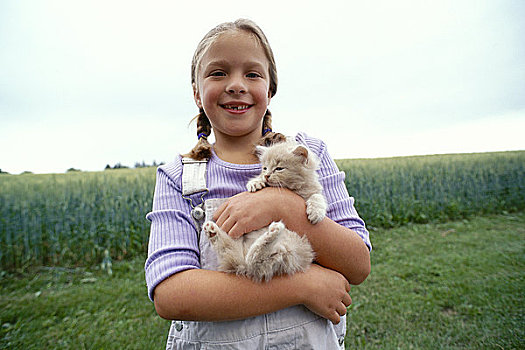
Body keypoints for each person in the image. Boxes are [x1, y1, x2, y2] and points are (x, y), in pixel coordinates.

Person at [145, 18, 372, 349]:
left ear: (270, 89)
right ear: (197, 92)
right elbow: (171, 294)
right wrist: (301, 287)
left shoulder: (308, 153)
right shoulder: (179, 177)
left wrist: (281, 206)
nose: (236, 85)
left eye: (252, 74)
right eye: (218, 73)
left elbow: (358, 264)